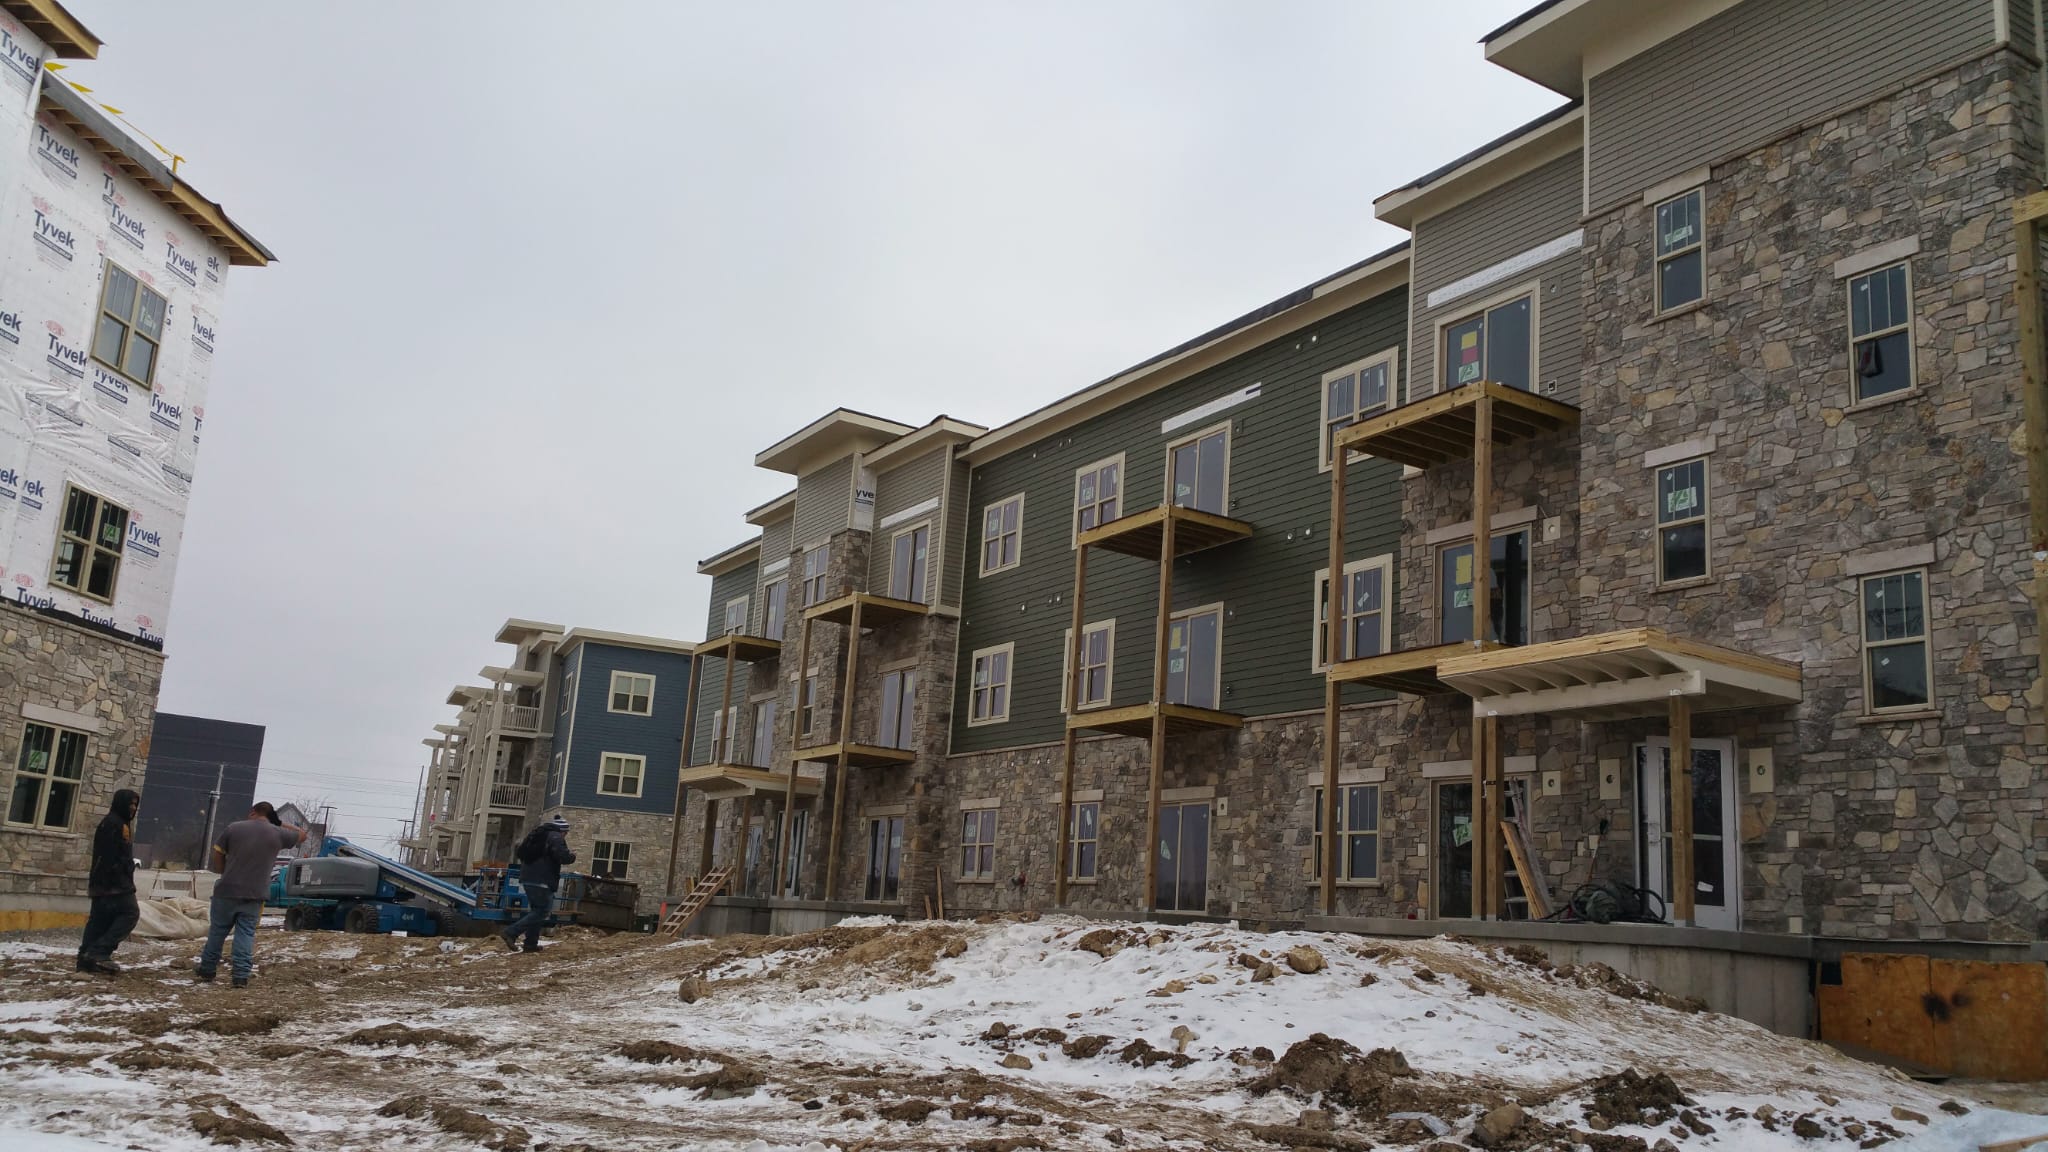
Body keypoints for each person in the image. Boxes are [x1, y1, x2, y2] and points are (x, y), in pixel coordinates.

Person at [195, 802, 303, 988]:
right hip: (255, 894)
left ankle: (207, 969)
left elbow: (217, 853)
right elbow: (302, 834)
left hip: (226, 891)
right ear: (270, 816)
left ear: (253, 812)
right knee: (245, 934)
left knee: (217, 932)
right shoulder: (277, 833)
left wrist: (223, 871)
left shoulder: (234, 828)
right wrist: (278, 823)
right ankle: (240, 976)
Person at [76, 788, 142, 974]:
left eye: (135, 804)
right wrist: (124, 871)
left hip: (104, 883)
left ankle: (85, 959)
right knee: (130, 913)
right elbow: (110, 856)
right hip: (114, 884)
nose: (133, 808)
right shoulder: (115, 824)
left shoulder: (115, 823)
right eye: (130, 804)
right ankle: (99, 952)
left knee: (99, 921)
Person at [503, 815, 574, 953]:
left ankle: (530, 944)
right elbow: (562, 856)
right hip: (542, 879)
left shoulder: (538, 835)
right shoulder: (555, 837)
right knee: (542, 911)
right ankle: (511, 932)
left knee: (536, 911)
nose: (565, 835)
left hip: (527, 877)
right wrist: (572, 856)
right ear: (562, 831)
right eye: (566, 832)